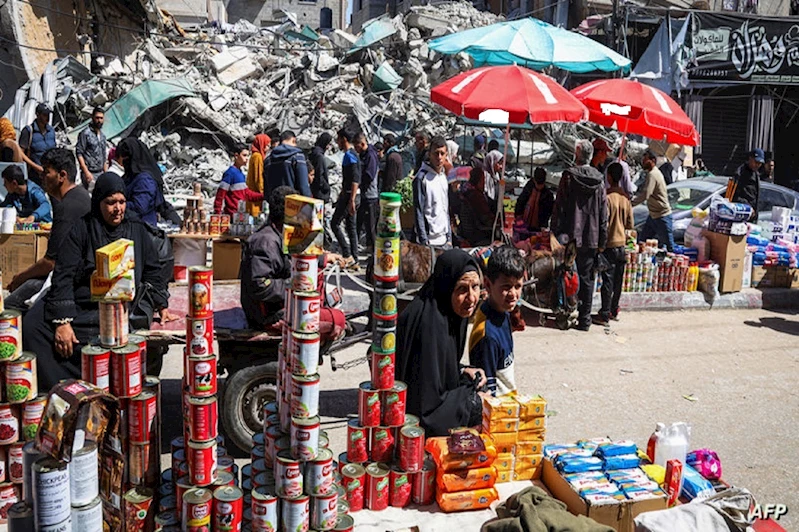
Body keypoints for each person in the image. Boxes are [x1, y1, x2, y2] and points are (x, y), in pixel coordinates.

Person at [23, 173, 171, 390]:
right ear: (98, 202)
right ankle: (62, 390)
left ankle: (101, 385)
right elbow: (63, 274)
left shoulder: (135, 228)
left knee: (108, 332)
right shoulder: (82, 229)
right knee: (32, 326)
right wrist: (62, 322)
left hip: (118, 305)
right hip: (82, 301)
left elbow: (152, 270)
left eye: (121, 202)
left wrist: (161, 304)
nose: (117, 208)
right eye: (110, 203)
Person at [395, 249, 487, 436]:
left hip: (431, 397)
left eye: (475, 287)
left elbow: (438, 367)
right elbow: (425, 406)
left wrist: (461, 369)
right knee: (480, 405)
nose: (471, 298)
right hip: (419, 415)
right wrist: (473, 402)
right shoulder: (430, 324)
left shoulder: (449, 313)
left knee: (476, 385)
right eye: (462, 289)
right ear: (447, 287)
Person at [240, 186, 346, 343]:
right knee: (338, 320)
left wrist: (323, 259)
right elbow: (260, 285)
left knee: (321, 277)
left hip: (281, 302)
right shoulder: (265, 242)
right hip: (269, 314)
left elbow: (296, 256)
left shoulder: (279, 233)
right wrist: (294, 285)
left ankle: (321, 305)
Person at [6, 148, 91, 311]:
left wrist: (19, 278)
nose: (41, 176)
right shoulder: (81, 195)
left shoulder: (66, 207)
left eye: (46, 172)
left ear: (62, 176)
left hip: (70, 280)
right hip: (72, 273)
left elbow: (50, 263)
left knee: (10, 305)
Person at [551, 139, 608, 332]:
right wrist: (602, 241)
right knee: (586, 278)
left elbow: (559, 206)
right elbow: (603, 214)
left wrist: (555, 231)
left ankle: (565, 314)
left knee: (565, 274)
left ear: (577, 153)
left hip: (569, 237)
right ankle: (584, 320)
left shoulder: (568, 177)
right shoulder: (600, 181)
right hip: (591, 237)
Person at [468, 246, 524, 397]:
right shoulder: (488, 336)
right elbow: (487, 393)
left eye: (518, 286)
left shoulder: (502, 311)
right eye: (506, 287)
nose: (513, 294)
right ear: (487, 284)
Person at [594, 162, 633, 326]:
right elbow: (630, 224)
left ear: (609, 177)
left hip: (609, 245)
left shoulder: (606, 198)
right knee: (618, 281)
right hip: (622, 245)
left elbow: (602, 223)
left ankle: (604, 313)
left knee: (607, 281)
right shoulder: (626, 199)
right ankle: (614, 309)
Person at [117, 137, 180, 226]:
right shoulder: (131, 176)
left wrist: (116, 204)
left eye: (125, 158)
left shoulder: (145, 180)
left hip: (142, 228)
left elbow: (140, 207)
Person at [332, 128, 361, 271]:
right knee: (351, 227)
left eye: (338, 139)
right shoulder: (350, 154)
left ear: (343, 139)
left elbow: (355, 179)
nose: (337, 142)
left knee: (334, 223)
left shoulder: (350, 155)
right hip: (349, 194)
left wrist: (351, 200)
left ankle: (347, 254)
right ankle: (354, 260)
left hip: (351, 196)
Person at [633, 149, 675, 251]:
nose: (643, 161)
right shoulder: (652, 173)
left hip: (662, 216)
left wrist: (631, 203)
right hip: (653, 215)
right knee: (642, 242)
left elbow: (646, 194)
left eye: (645, 159)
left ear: (652, 160)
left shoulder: (653, 174)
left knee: (670, 248)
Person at [413, 136, 451, 247]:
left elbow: (445, 209)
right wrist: (424, 240)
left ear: (446, 155)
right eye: (436, 153)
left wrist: (449, 237)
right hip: (429, 242)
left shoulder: (443, 177)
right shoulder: (421, 178)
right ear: (429, 154)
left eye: (442, 153)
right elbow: (418, 211)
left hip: (444, 241)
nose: (439, 157)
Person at [214, 144, 264, 216]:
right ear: (236, 156)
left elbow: (247, 194)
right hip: (232, 215)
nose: (247, 158)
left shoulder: (241, 174)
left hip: (241, 214)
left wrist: (263, 196)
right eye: (244, 155)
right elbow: (220, 195)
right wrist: (217, 214)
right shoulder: (230, 173)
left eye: (248, 156)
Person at [19, 103, 57, 186]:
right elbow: (21, 153)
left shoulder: (51, 131)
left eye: (48, 115)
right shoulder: (29, 131)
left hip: (50, 174)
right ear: (37, 114)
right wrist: (36, 167)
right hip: (34, 175)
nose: (47, 117)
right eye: (44, 115)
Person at [264, 130, 310, 197]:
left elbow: (266, 188)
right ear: (294, 140)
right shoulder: (298, 157)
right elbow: (303, 186)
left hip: (274, 203)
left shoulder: (268, 160)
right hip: (293, 203)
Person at [457, 165, 495, 246]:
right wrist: (496, 222)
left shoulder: (466, 190)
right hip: (477, 232)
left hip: (466, 230)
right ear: (477, 180)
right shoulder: (476, 196)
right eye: (482, 180)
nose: (484, 183)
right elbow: (485, 217)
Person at [354, 132, 379, 252]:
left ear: (362, 144)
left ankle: (374, 250)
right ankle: (366, 246)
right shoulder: (364, 155)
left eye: (357, 146)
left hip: (370, 195)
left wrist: (360, 184)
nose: (356, 149)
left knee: (371, 225)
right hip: (365, 194)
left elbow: (369, 175)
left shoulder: (371, 156)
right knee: (360, 221)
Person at [76, 106, 108, 193]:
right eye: (97, 118)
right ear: (92, 118)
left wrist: (106, 173)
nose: (99, 120)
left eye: (101, 118)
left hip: (100, 172)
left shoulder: (102, 136)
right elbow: (79, 153)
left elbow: (104, 155)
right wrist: (86, 171)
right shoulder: (85, 134)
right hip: (90, 173)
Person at [515, 167, 554, 231]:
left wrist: (543, 226)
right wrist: (518, 216)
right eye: (537, 184)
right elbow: (520, 203)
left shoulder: (548, 195)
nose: (539, 186)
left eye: (541, 184)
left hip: (539, 227)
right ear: (534, 180)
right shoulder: (528, 188)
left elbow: (547, 213)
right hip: (524, 224)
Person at [729, 149, 763, 222]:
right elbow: (734, 195)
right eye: (756, 162)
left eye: (760, 163)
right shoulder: (740, 173)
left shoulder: (756, 174)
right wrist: (748, 207)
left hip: (752, 218)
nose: (757, 165)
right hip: (740, 215)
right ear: (750, 159)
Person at [247, 133, 271, 216]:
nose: (268, 148)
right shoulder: (258, 157)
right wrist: (264, 193)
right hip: (256, 196)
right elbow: (259, 178)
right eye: (267, 145)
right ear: (262, 144)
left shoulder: (254, 155)